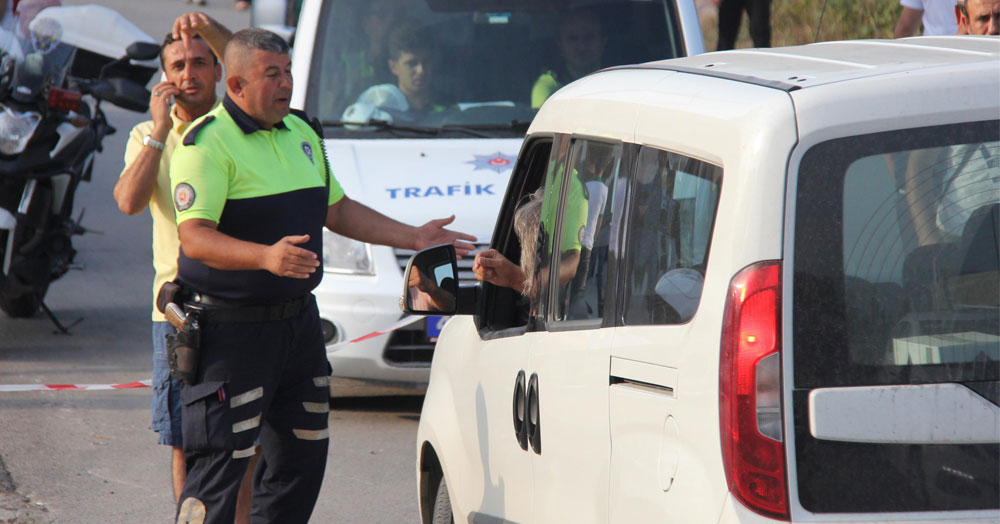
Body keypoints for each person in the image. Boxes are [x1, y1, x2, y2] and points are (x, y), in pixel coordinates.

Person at [168, 28, 475, 523]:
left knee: (300, 463)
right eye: (272, 74)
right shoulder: (205, 143)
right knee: (220, 475)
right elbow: (195, 238)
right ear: (237, 83)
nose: (286, 82)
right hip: (232, 334)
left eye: (287, 71)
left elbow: (339, 210)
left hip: (298, 329)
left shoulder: (303, 133)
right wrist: (265, 257)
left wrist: (415, 237)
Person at [114, 14, 263, 524]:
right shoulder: (146, 135)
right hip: (178, 315)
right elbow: (128, 202)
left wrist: (217, 31)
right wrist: (159, 130)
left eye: (202, 61)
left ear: (220, 72)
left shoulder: (240, 125)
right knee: (183, 442)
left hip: (243, 305)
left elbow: (251, 59)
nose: (189, 72)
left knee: (249, 442)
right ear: (165, 76)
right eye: (178, 64)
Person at [345, 20, 443, 122]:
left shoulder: (451, 107)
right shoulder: (378, 113)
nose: (421, 70)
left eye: (426, 62)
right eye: (412, 63)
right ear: (393, 67)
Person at [531, 9, 606, 109]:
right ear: (560, 45)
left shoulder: (620, 83)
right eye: (573, 38)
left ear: (603, 42)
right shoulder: (547, 88)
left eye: (589, 37)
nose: (582, 46)